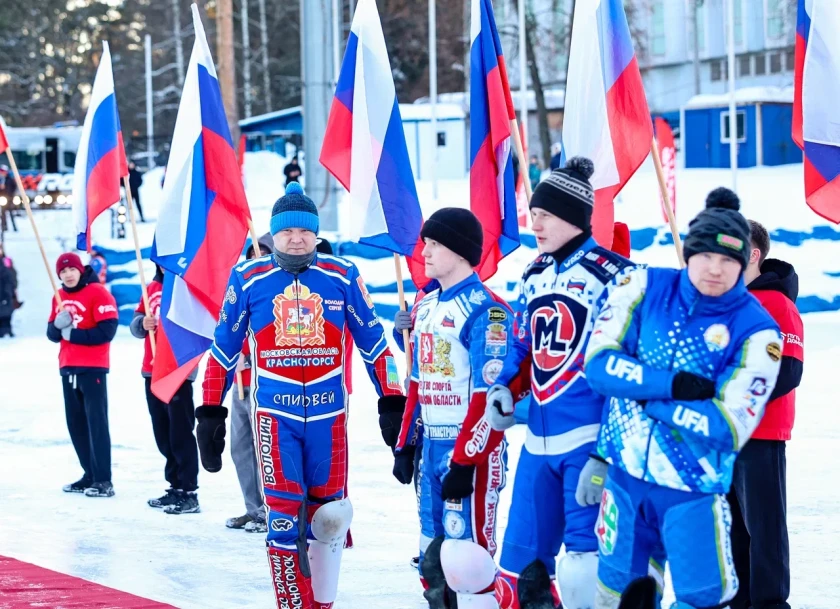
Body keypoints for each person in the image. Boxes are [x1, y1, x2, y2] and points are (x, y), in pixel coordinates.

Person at [196, 183, 405, 609]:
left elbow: (374, 343)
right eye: (287, 230)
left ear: (316, 233)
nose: (296, 238)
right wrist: (210, 412)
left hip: (330, 418)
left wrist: (391, 400)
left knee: (329, 518)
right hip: (276, 417)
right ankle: (294, 606)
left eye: (304, 230)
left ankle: (322, 604)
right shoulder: (248, 278)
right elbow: (222, 350)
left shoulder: (342, 275)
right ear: (273, 234)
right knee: (283, 517)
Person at [580, 188, 783, 608]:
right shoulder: (643, 285)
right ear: (688, 252)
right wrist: (669, 385)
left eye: (729, 260)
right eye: (706, 255)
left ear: (746, 262)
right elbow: (599, 365)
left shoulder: (757, 330)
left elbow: (726, 428)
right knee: (618, 598)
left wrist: (650, 402)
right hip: (625, 481)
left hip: (692, 490)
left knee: (701, 601)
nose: (715, 269)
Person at [486, 157, 634, 609]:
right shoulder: (534, 274)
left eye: (544, 215)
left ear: (572, 215)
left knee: (584, 565)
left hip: (586, 439)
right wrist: (505, 387)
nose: (535, 223)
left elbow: (626, 373)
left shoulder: (616, 275)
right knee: (519, 568)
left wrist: (605, 451)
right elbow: (522, 344)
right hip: (538, 442)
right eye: (533, 214)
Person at [391, 208, 524, 608]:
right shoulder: (425, 307)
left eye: (434, 244)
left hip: (468, 451)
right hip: (430, 446)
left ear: (462, 252)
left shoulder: (488, 311)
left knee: (467, 559)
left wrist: (468, 460)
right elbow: (417, 382)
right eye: (425, 243)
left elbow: (491, 397)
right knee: (432, 556)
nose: (424, 252)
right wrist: (406, 443)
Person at [727, 220, 803, 609]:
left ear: (753, 254)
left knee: (764, 530)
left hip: (762, 436)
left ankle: (771, 604)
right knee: (732, 532)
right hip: (725, 437)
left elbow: (787, 372)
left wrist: (735, 396)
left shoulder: (777, 305)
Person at [130, 265, 201, 514]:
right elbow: (136, 321)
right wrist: (142, 323)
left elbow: (199, 325)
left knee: (181, 430)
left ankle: (189, 490)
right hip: (151, 369)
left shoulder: (187, 288)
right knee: (163, 431)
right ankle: (175, 486)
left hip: (177, 369)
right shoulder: (150, 288)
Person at [47, 253, 119, 498]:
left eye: (71, 270)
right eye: (62, 272)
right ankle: (88, 473)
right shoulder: (59, 297)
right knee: (75, 424)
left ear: (80, 270)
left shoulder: (98, 293)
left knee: (96, 423)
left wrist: (72, 334)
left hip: (93, 368)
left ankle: (103, 480)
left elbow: (107, 330)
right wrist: (57, 325)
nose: (67, 275)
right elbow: (51, 334)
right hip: (68, 366)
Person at [225, 233, 275, 533]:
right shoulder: (242, 289)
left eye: (263, 254)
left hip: (267, 382)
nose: (256, 260)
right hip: (240, 381)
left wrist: (253, 357)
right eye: (252, 255)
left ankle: (273, 509)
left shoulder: (277, 291)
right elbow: (229, 328)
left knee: (266, 448)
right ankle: (254, 509)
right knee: (241, 446)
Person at [0, 243, 18, 337]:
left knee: (7, 312)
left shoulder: (7, 261)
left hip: (7, 290)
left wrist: (13, 287)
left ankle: (8, 330)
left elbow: (13, 274)